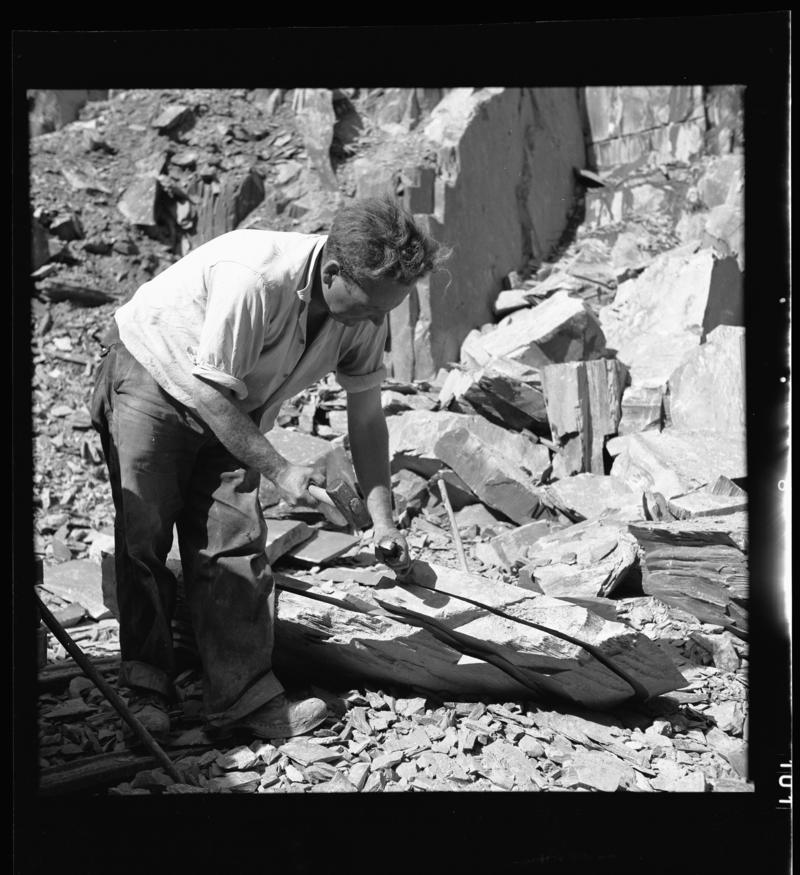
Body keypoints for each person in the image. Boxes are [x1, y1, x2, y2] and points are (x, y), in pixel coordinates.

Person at [90, 194, 447, 742]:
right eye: (372, 307)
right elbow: (208, 396)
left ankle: (242, 700)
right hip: (153, 375)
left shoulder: (366, 309)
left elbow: (368, 419)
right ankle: (145, 691)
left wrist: (384, 521)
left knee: (233, 541)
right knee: (145, 537)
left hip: (232, 397)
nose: (379, 321)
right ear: (332, 272)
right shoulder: (254, 277)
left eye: (386, 311)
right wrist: (282, 470)